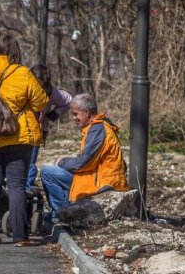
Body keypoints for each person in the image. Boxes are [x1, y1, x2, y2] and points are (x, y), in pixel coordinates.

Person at [0, 35, 49, 246]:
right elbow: (41, 101)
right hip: (18, 136)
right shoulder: (23, 73)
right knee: (16, 186)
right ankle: (21, 237)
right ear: (15, 52)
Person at [40, 93, 130, 222]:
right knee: (55, 170)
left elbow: (82, 164)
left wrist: (61, 162)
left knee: (48, 172)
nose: (73, 118)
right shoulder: (98, 126)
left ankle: (62, 213)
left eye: (75, 114)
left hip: (102, 181)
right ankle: (65, 209)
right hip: (98, 176)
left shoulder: (97, 130)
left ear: (86, 112)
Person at [27, 64, 72, 191]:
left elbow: (69, 100)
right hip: (18, 131)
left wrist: (50, 116)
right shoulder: (22, 88)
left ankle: (26, 188)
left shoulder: (52, 93)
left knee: (30, 163)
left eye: (39, 85)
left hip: (36, 132)